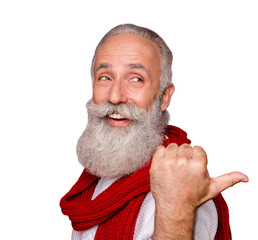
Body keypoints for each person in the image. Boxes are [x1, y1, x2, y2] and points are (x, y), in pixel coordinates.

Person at [60, 23, 248, 240]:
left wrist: (176, 212)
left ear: (165, 97)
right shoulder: (94, 182)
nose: (115, 96)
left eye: (136, 79)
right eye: (105, 77)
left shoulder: (188, 190)